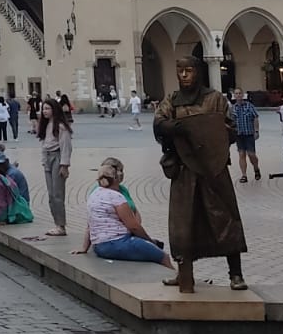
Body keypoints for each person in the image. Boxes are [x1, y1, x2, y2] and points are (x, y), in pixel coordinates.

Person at [154, 60, 249, 293]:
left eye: (189, 70)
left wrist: (212, 134)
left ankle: (235, 274)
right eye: (180, 71)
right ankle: (184, 274)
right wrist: (174, 128)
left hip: (213, 170)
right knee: (182, 224)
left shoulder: (215, 99)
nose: (184, 75)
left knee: (225, 218)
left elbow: (230, 129)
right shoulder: (172, 100)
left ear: (198, 73)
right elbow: (159, 123)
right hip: (185, 170)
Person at [73, 161, 175, 269]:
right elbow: (134, 227)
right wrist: (149, 241)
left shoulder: (94, 195)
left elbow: (90, 226)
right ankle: (178, 278)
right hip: (117, 243)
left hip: (99, 246)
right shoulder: (116, 197)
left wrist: (84, 248)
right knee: (163, 256)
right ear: (116, 179)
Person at [36, 97, 72, 236]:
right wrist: (44, 161)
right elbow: (44, 145)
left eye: (47, 108)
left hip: (58, 158)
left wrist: (64, 165)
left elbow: (66, 147)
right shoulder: (45, 126)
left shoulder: (61, 126)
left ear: (54, 109)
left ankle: (61, 225)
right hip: (48, 159)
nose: (45, 111)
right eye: (43, 108)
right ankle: (56, 223)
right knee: (51, 194)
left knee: (58, 194)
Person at [231, 92, 261, 183]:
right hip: (239, 134)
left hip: (249, 134)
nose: (238, 95)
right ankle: (244, 175)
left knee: (251, 154)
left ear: (242, 95)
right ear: (234, 96)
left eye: (240, 93)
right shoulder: (233, 108)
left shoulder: (249, 106)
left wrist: (256, 131)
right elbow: (231, 121)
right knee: (241, 154)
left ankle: (256, 168)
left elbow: (255, 117)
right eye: (236, 94)